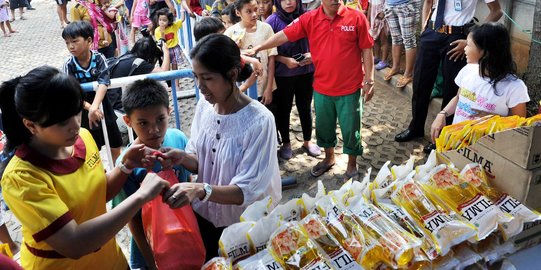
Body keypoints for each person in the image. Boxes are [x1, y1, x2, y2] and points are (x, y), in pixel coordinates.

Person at [0, 65, 169, 269]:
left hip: (109, 259)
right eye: (62, 122)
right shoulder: (22, 177)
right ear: (31, 125)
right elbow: (74, 243)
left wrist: (125, 166)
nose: (74, 125)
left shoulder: (83, 139)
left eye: (76, 112)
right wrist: (141, 196)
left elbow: (96, 193)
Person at [154, 34, 281, 262]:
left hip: (243, 229)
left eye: (207, 78)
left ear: (231, 74)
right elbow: (203, 161)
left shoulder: (260, 121)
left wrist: (202, 190)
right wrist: (182, 157)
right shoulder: (205, 105)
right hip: (205, 216)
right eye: (196, 77)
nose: (200, 86)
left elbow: (246, 190)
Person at [251, 0, 374, 178]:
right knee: (324, 128)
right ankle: (329, 158)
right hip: (322, 88)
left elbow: (367, 49)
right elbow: (284, 35)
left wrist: (370, 80)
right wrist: (258, 47)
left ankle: (352, 163)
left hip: (350, 88)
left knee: (351, 129)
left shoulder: (357, 17)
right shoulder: (309, 18)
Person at [394, 0, 502, 143]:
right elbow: (428, 2)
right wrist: (425, 28)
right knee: (420, 84)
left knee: (450, 89)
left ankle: (443, 137)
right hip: (431, 34)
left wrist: (473, 38)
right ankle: (416, 128)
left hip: (456, 38)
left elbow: (497, 11)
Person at [112, 79, 191, 270]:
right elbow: (133, 219)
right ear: (128, 122)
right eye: (143, 123)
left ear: (169, 112)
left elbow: (187, 181)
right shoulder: (126, 163)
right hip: (150, 244)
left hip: (185, 235)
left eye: (160, 120)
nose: (154, 130)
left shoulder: (178, 139)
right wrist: (150, 261)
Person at [430, 22, 530, 143]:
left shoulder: (514, 87)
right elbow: (458, 98)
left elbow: (519, 126)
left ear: (485, 52)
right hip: (456, 141)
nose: (465, 49)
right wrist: (442, 114)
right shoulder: (468, 70)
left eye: (469, 45)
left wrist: (491, 119)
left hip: (485, 151)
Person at [62, 21, 124, 163]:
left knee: (115, 145)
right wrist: (90, 108)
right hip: (83, 110)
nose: (71, 46)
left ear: (89, 40)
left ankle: (118, 175)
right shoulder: (69, 65)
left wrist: (94, 107)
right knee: (91, 149)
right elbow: (71, 93)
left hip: (104, 107)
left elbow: (104, 83)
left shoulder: (98, 58)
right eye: (67, 43)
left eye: (74, 41)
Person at [265, 0, 320, 160]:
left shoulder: (307, 17)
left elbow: (318, 41)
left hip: (306, 72)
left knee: (305, 107)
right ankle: (286, 143)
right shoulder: (272, 22)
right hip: (282, 75)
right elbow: (269, 53)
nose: (288, 2)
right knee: (284, 109)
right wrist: (285, 60)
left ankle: (308, 141)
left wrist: (312, 56)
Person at [224, 0, 277, 104]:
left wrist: (269, 88)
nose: (254, 14)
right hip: (242, 91)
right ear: (238, 13)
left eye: (255, 9)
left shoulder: (266, 29)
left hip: (265, 87)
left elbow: (271, 59)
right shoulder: (230, 33)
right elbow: (225, 59)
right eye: (248, 11)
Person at [108, 35, 171, 111]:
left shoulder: (128, 56)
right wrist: (166, 51)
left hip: (111, 100)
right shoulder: (139, 63)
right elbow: (163, 73)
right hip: (119, 106)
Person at [382, 0, 421, 88]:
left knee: (408, 40)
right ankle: (395, 67)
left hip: (407, 4)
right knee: (395, 38)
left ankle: (408, 73)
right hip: (390, 4)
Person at [154, 7, 186, 89]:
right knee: (166, 68)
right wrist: (162, 31)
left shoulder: (174, 26)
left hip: (175, 49)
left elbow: (182, 19)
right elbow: (161, 41)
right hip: (165, 51)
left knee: (175, 67)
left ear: (169, 20)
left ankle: (177, 84)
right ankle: (169, 84)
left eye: (164, 20)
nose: (162, 22)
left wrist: (182, 9)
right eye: (160, 20)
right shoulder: (157, 30)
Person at [370, 0, 390, 71]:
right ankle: (376, 56)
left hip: (383, 18)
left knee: (383, 39)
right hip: (373, 16)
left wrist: (383, 12)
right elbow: (370, 5)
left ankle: (384, 60)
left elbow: (388, 3)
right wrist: (368, 19)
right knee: (375, 39)